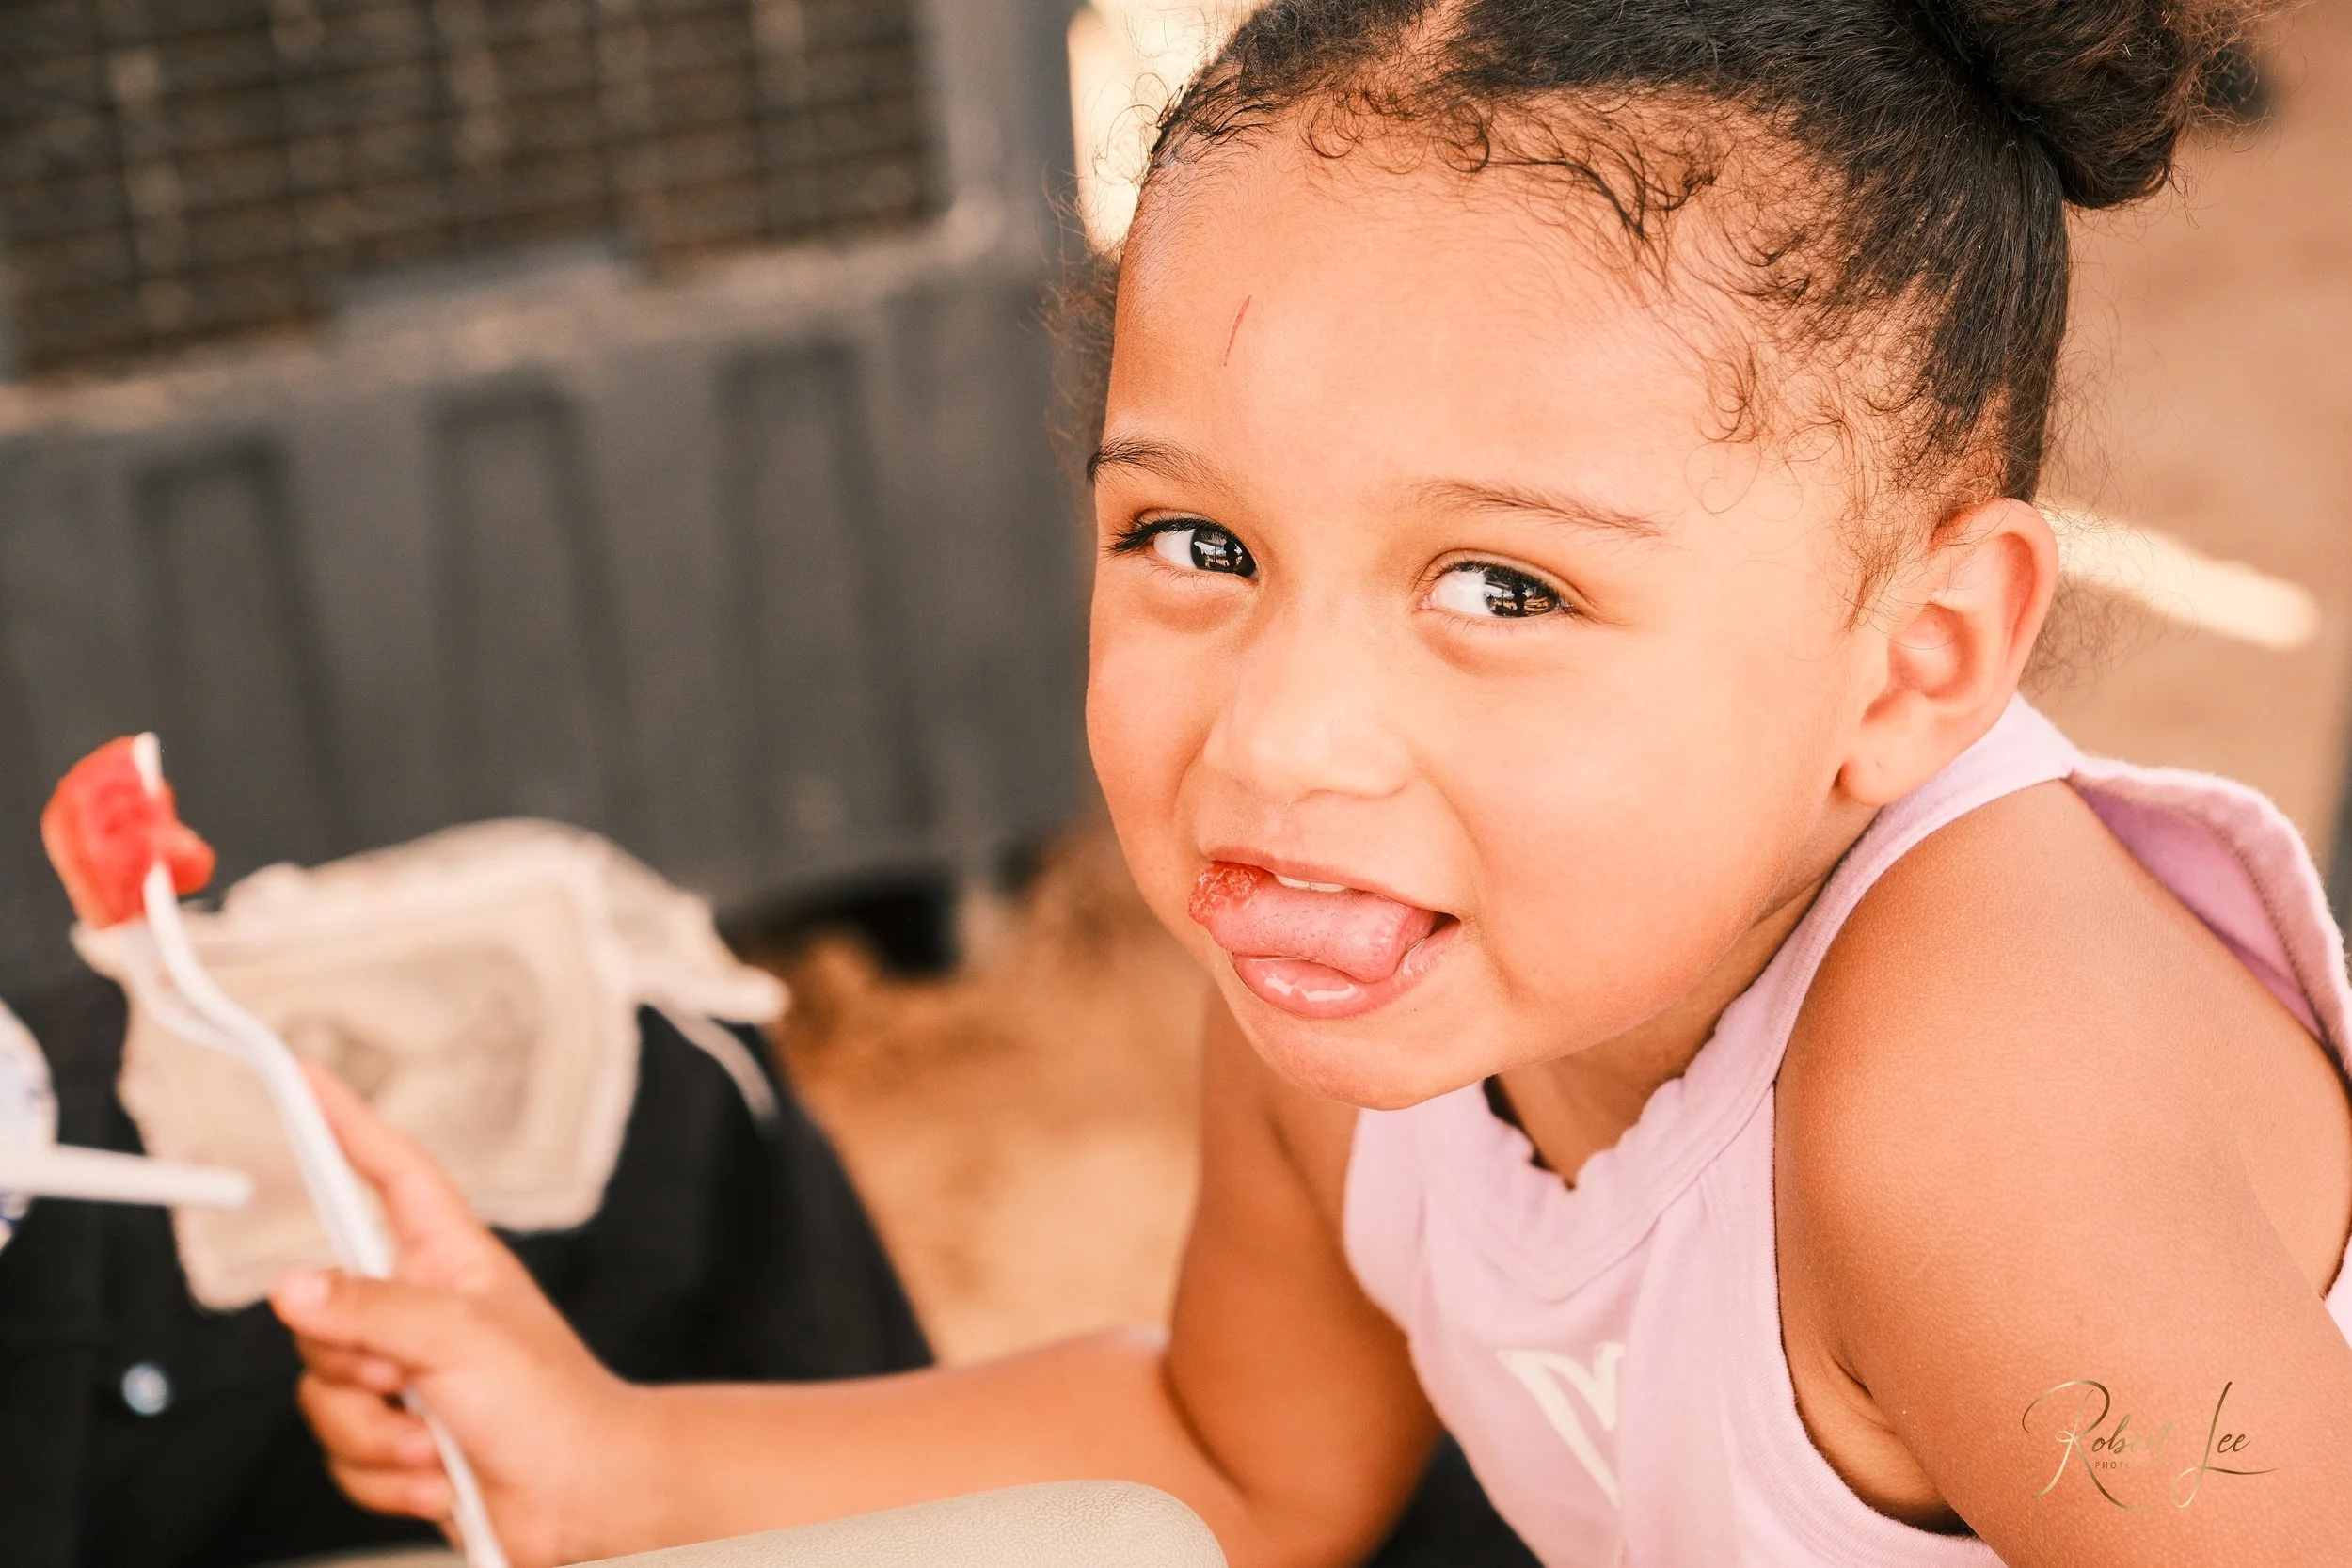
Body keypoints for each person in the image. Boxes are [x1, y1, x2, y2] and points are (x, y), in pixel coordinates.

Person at [270, 2, 2352, 1564]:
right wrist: (609, 1451)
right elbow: (1244, 1450)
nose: (1274, 738)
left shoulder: (1979, 1129)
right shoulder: (1364, 960)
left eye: (1500, 583)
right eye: (1196, 545)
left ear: (1913, 658)